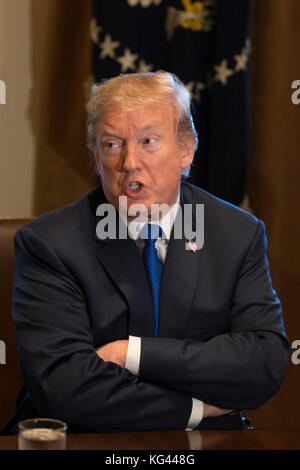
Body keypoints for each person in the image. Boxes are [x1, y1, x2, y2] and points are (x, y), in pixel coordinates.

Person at [2, 71, 289, 434]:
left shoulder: (237, 234)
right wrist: (196, 410)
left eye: (148, 141)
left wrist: (129, 354)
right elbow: (63, 387)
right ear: (94, 157)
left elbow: (263, 364)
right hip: (84, 440)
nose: (129, 162)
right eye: (111, 144)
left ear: (186, 150)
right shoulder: (48, 244)